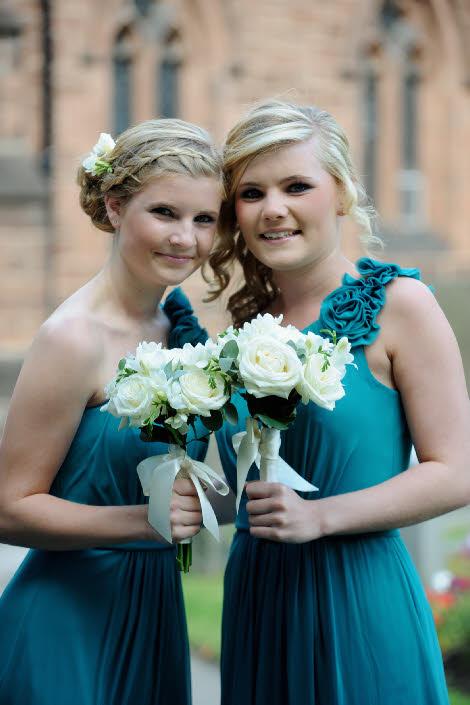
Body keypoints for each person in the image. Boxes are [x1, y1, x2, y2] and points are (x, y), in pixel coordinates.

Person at [210, 99, 470, 705]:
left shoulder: (400, 305)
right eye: (252, 193)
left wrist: (320, 516)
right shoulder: (246, 324)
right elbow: (236, 480)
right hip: (258, 597)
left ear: (343, 193)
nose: (273, 208)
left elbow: (457, 471)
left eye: (297, 185)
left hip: (358, 595)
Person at [0, 119, 222, 705]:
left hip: (153, 614)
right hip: (67, 627)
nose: (186, 238)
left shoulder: (176, 325)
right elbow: (8, 509)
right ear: (116, 205)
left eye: (205, 219)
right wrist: (141, 523)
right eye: (166, 213)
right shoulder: (72, 339)